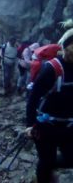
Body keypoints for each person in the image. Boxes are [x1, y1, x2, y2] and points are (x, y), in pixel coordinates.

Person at [25, 28, 73, 183]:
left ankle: (49, 167)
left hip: (68, 125)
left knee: (70, 159)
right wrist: (30, 124)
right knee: (46, 161)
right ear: (65, 48)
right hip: (45, 125)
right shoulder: (52, 69)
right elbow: (33, 97)